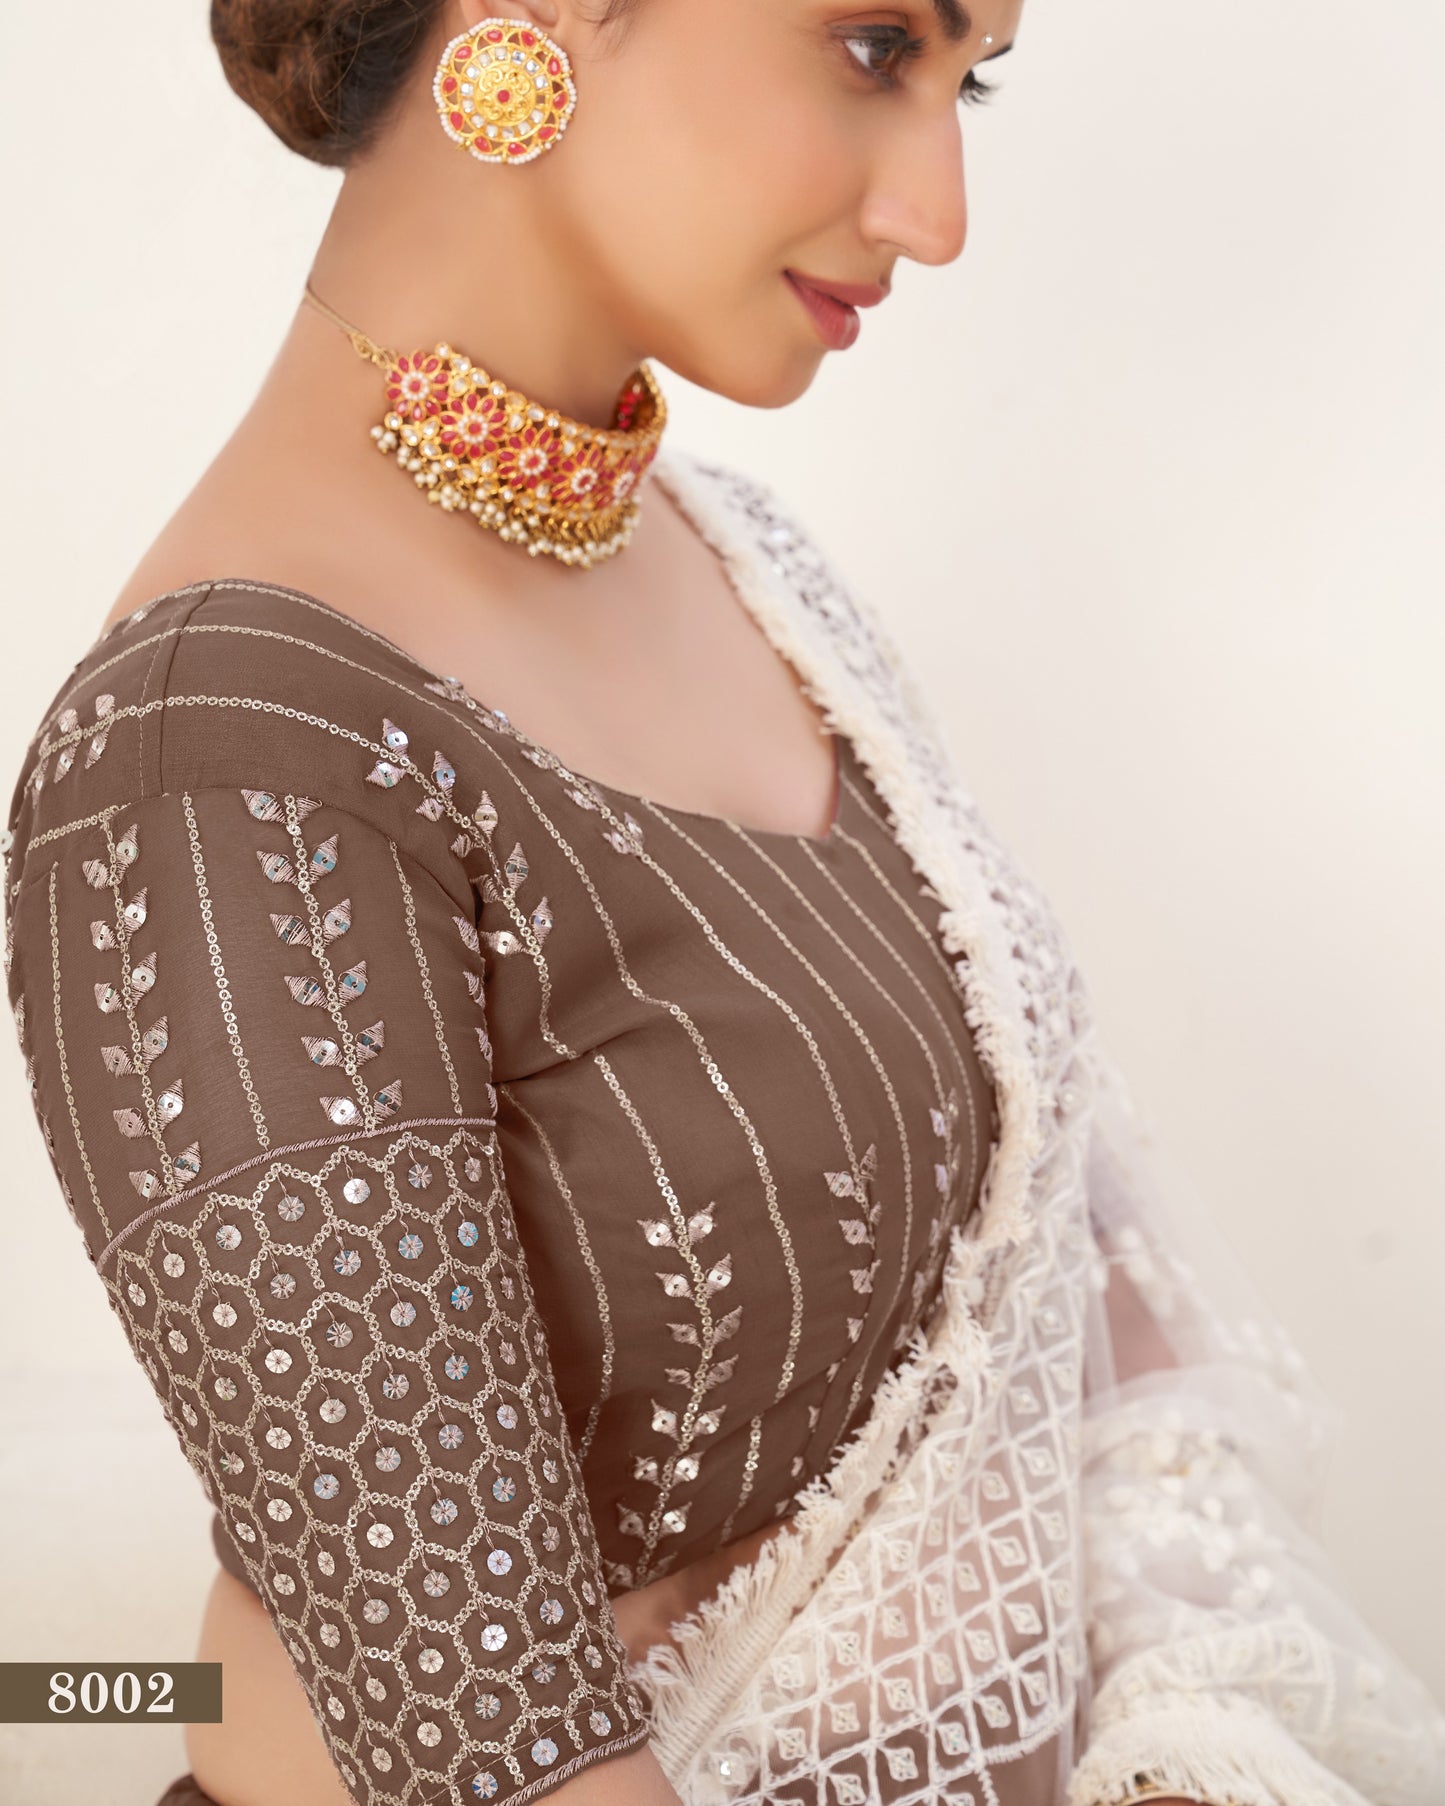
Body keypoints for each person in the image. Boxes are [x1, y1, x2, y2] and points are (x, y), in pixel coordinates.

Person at [3, 3, 1440, 1804]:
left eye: (966, 77)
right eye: (870, 46)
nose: (940, 211)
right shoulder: (215, 762)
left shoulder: (751, 572)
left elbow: (1070, 1303)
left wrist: (1177, 1749)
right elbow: (493, 1747)